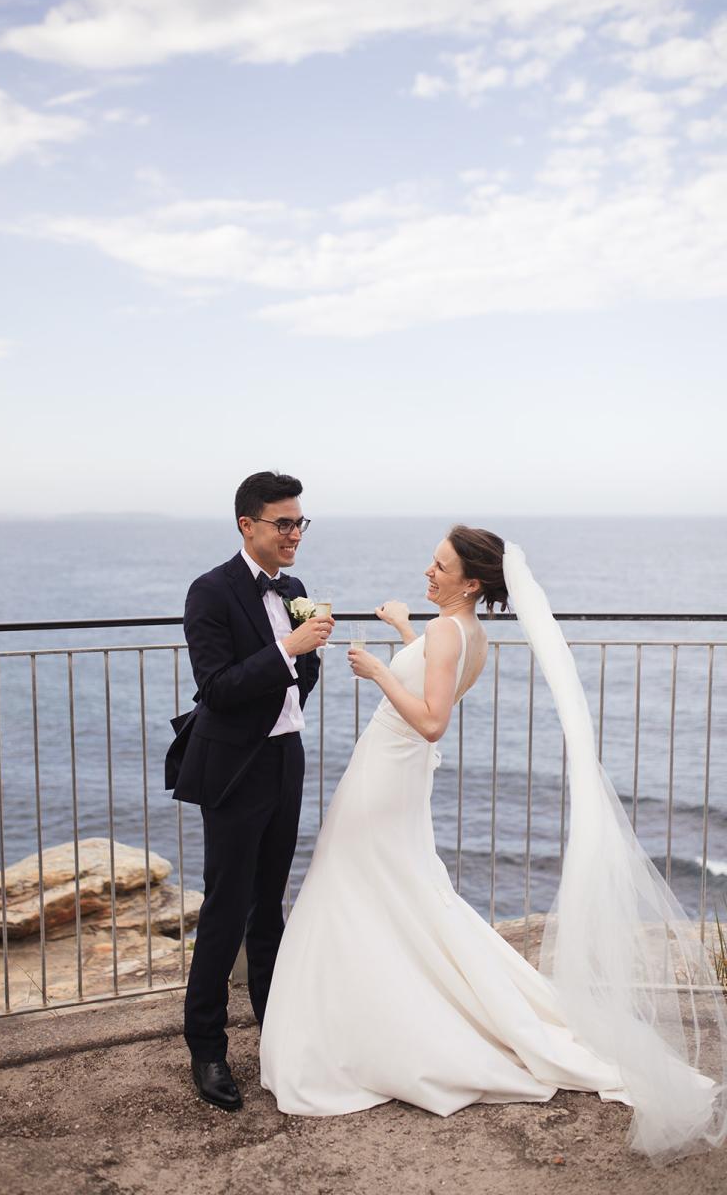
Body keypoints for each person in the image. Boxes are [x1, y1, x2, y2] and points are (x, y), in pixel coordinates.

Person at [259, 527, 727, 1164]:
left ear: (471, 582)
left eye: (441, 565)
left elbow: (429, 721)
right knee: (397, 893)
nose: (429, 570)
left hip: (387, 777)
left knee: (352, 889)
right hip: (395, 784)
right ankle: (395, 1007)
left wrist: (374, 670)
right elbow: (437, 677)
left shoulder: (450, 633)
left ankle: (359, 1033)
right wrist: (404, 633)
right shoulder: (467, 633)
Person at [165, 471, 333, 1112]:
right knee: (226, 907)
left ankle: (275, 1031)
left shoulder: (294, 589)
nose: (294, 534)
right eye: (283, 523)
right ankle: (206, 1047)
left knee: (271, 905)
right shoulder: (210, 591)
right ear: (247, 525)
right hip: (234, 768)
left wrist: (305, 651)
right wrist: (287, 647)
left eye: (299, 523)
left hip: (284, 758)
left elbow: (298, 678)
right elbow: (217, 686)